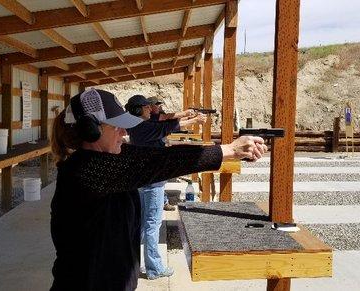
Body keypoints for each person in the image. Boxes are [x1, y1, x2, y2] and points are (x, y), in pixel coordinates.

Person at [49, 88, 267, 291]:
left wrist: (233, 152)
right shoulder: (83, 170)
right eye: (115, 126)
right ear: (91, 130)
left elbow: (157, 159)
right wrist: (228, 150)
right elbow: (158, 162)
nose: (123, 132)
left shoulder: (107, 161)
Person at [124, 94, 206, 280]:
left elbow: (164, 121)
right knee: (152, 224)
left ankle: (133, 264)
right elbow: (169, 126)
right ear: (138, 110)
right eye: (146, 107)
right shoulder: (142, 126)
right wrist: (194, 120)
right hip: (152, 182)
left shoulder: (139, 124)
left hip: (144, 180)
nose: (150, 110)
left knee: (143, 225)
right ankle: (154, 269)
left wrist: (186, 115)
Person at [146, 96, 197, 211]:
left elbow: (173, 122)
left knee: (159, 181)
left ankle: (163, 201)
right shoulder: (151, 117)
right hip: (151, 155)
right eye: (157, 104)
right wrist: (187, 115)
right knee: (155, 184)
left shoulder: (157, 115)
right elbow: (169, 119)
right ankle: (160, 203)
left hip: (157, 152)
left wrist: (188, 117)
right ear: (149, 106)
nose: (159, 106)